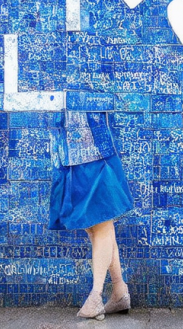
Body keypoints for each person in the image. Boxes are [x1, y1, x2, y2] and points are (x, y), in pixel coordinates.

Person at [50, 111, 134, 319]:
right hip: (75, 148)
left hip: (91, 149)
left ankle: (96, 296)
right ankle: (119, 291)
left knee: (101, 222)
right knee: (95, 224)